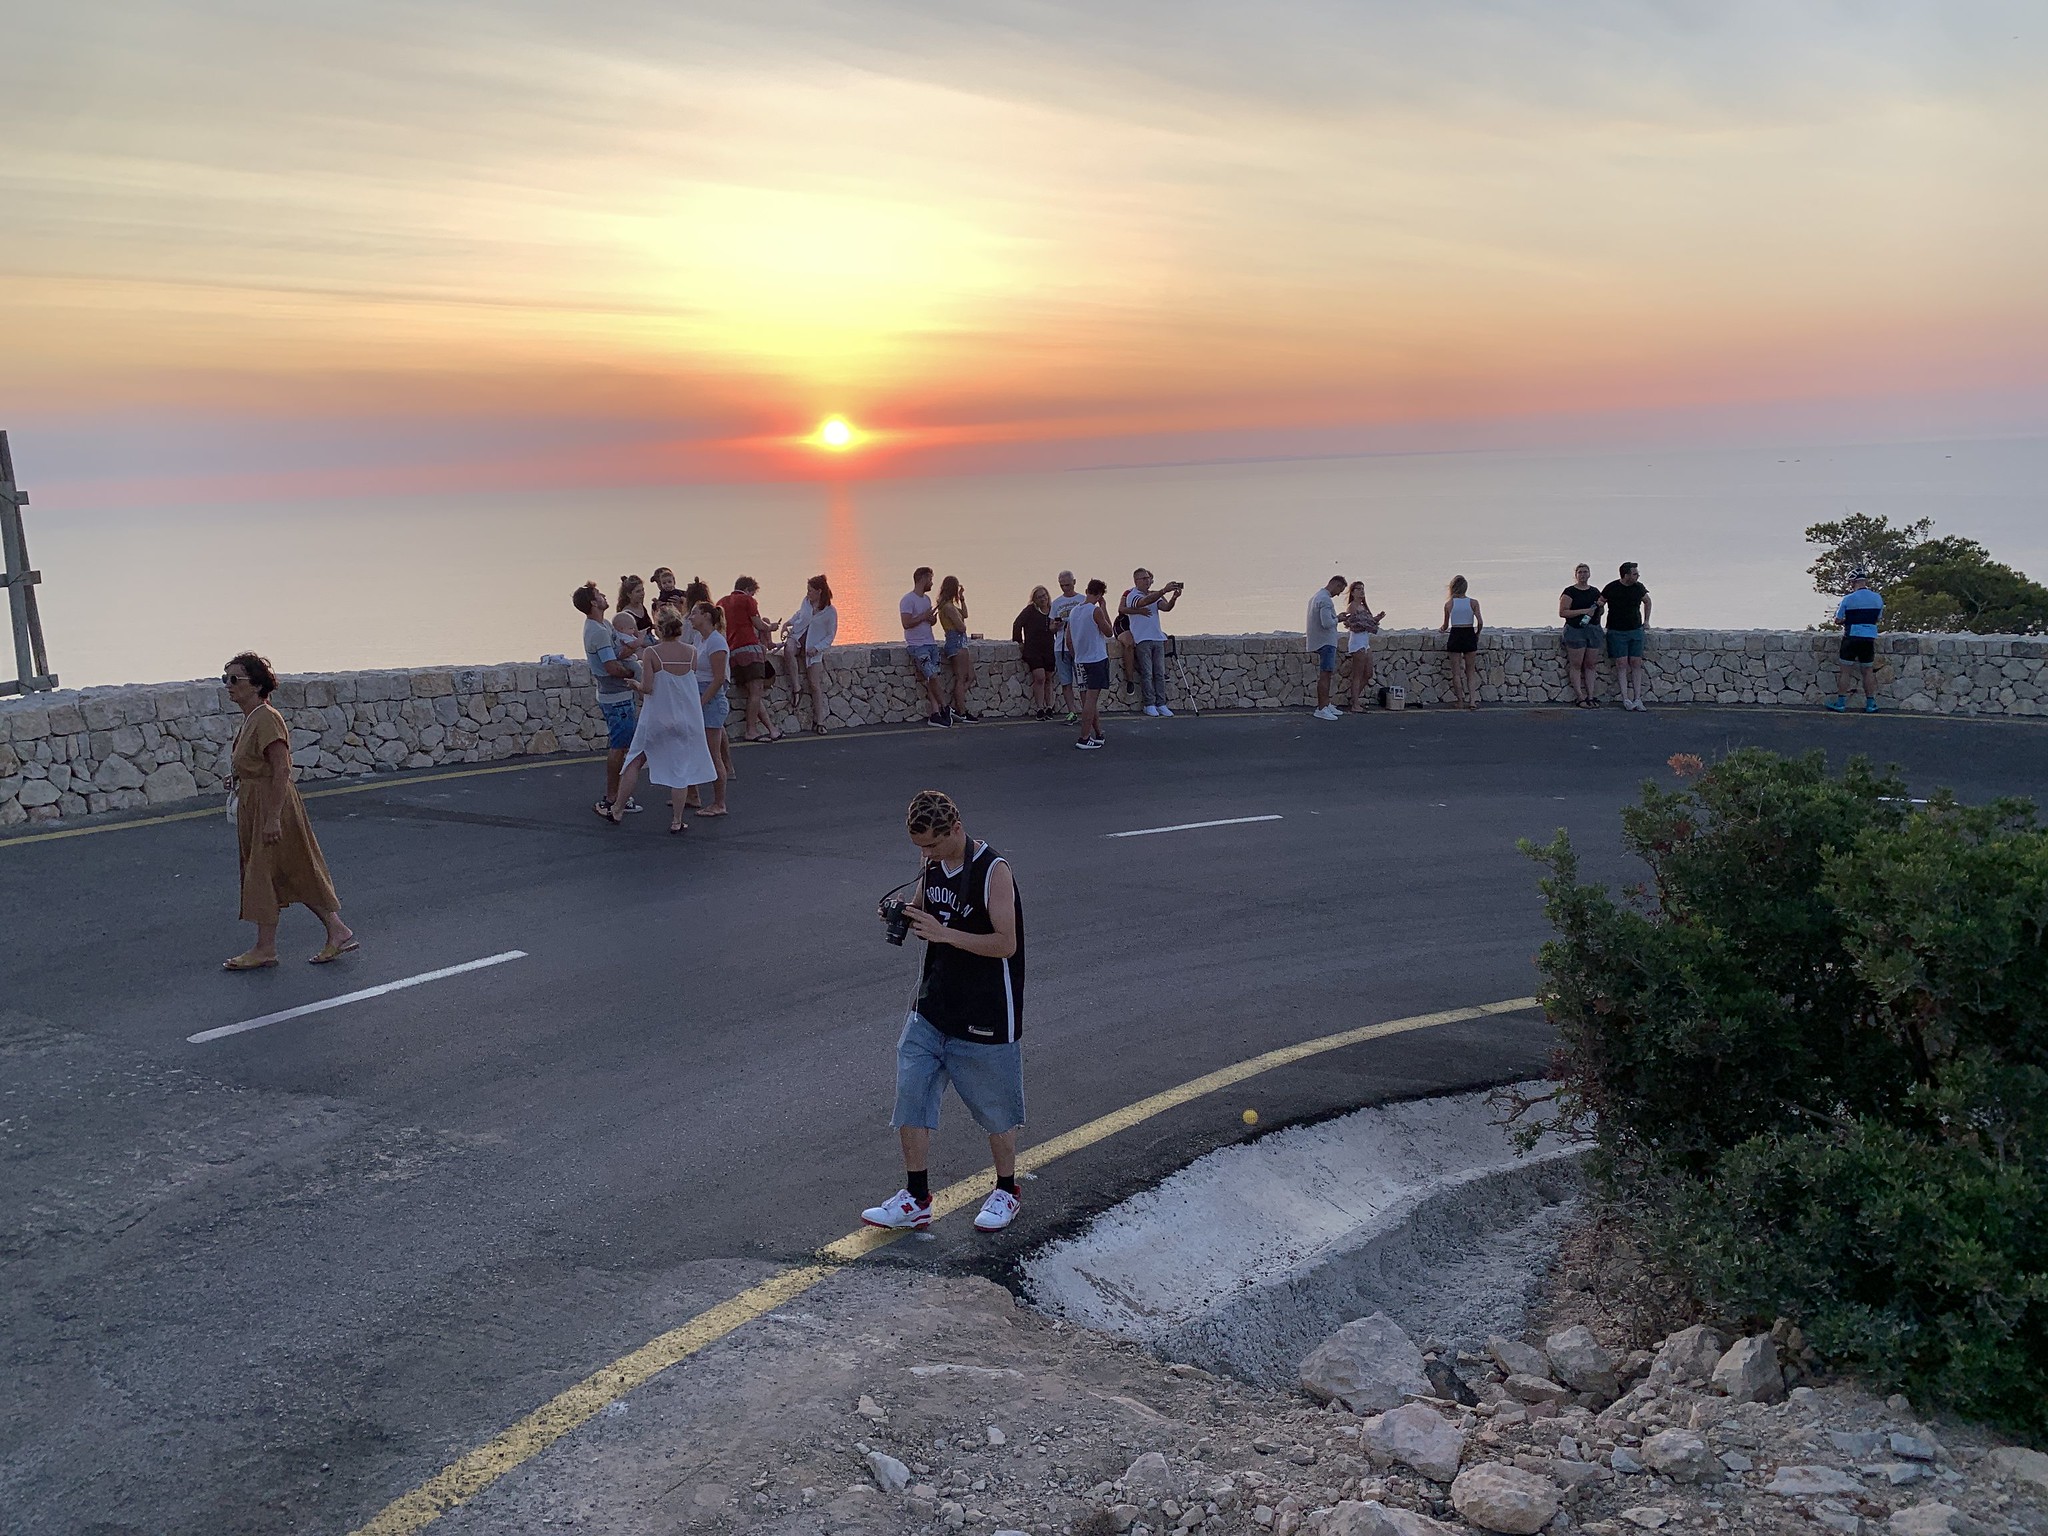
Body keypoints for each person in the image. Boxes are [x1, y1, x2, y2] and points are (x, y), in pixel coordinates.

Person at [861, 789, 1027, 1235]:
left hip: (986, 1010)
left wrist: (944, 933)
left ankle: (1007, 1189)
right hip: (932, 1005)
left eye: (932, 845)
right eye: (919, 847)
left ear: (955, 828)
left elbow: (1005, 944)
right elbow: (924, 912)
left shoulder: (994, 872)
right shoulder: (931, 862)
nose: (926, 854)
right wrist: (901, 915)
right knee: (911, 1093)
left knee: (995, 1109)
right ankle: (916, 1198)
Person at [220, 652, 357, 969]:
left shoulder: (267, 718)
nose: (227, 685)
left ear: (255, 684)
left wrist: (272, 818)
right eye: (224, 678)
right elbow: (262, 764)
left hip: (272, 804)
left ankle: (265, 948)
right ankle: (336, 930)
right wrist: (240, 777)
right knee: (285, 871)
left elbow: (281, 770)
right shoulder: (253, 717)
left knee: (265, 873)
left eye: (234, 679)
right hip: (257, 801)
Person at [607, 608, 715, 833]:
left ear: (658, 629)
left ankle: (617, 809)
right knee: (680, 769)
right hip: (685, 718)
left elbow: (648, 688)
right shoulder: (692, 652)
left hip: (657, 717)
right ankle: (676, 820)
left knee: (635, 760)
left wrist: (635, 686)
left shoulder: (652, 654)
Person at [576, 581, 642, 817]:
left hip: (617, 696)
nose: (604, 596)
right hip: (616, 698)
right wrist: (633, 673)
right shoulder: (598, 632)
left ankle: (619, 795)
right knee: (619, 746)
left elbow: (619, 651)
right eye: (599, 595)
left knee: (623, 745)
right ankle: (613, 798)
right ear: (593, 602)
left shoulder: (602, 624)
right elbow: (611, 666)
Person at [718, 576, 780, 742]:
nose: (753, 597)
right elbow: (759, 624)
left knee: (752, 692)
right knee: (756, 691)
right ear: (747, 590)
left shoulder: (721, 602)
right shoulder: (747, 601)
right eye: (752, 593)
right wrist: (771, 627)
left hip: (733, 652)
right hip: (749, 649)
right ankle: (751, 730)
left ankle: (771, 729)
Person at [688, 601, 733, 815]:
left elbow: (718, 679)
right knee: (692, 748)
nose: (690, 617)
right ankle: (692, 794)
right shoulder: (700, 639)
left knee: (713, 754)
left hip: (711, 701)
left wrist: (701, 702)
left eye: (694, 613)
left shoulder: (716, 642)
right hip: (698, 694)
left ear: (706, 616)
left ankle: (719, 803)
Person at [1121, 568, 1183, 717]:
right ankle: (1149, 704)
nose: (1147, 580)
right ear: (1136, 581)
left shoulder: (1154, 595)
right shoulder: (1133, 595)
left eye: (1148, 578)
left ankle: (1161, 704)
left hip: (1157, 638)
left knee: (1159, 673)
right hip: (1142, 639)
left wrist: (1174, 597)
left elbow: (1166, 607)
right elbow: (1142, 602)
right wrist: (1163, 591)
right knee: (1147, 673)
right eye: (1143, 578)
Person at [783, 574, 838, 734]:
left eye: (811, 591)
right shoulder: (806, 602)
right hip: (798, 638)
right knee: (788, 649)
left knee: (814, 684)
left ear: (819, 591)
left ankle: (819, 721)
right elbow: (800, 615)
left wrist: (818, 648)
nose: (808, 593)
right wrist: (788, 623)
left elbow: (830, 635)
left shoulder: (830, 612)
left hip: (813, 649)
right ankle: (796, 687)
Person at [1828, 569, 1885, 713]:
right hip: (1868, 638)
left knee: (1845, 671)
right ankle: (1870, 703)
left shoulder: (1848, 599)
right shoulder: (1877, 598)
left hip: (1851, 637)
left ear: (1853, 582)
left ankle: (1841, 703)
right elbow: (1878, 618)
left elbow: (1838, 619)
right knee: (1868, 671)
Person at [901, 567, 950, 727]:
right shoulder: (908, 600)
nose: (932, 583)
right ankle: (945, 707)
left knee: (932, 679)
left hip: (930, 643)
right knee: (933, 676)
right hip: (917, 646)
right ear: (922, 579)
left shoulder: (927, 600)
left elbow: (928, 621)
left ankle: (935, 713)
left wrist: (931, 619)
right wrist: (923, 617)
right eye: (930, 579)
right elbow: (906, 623)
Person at [1068, 579, 1114, 749]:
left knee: (1087, 699)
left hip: (1080, 660)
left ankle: (1098, 733)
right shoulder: (1095, 611)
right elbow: (1109, 632)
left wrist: (1077, 655)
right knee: (1091, 700)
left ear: (1086, 590)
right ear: (1101, 594)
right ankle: (1084, 737)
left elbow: (1068, 639)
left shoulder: (1074, 611)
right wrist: (1104, 608)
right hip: (1096, 659)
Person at [1601, 561, 1652, 711]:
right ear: (1626, 575)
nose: (1638, 576)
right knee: (1621, 663)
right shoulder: (1611, 587)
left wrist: (1647, 621)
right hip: (1616, 631)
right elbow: (1600, 603)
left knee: (1636, 662)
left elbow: (1647, 602)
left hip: (1635, 629)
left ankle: (1638, 698)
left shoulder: (1639, 588)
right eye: (1635, 573)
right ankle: (1626, 699)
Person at [1559, 564, 1605, 707]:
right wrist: (1583, 611)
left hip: (1593, 630)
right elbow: (1563, 612)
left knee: (1590, 664)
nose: (1583, 575)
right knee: (1576, 665)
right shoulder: (1570, 592)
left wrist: (1600, 607)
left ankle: (1591, 696)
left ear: (1590, 574)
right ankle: (1580, 696)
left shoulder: (1595, 591)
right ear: (1576, 575)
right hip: (1575, 630)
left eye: (1585, 572)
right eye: (1580, 572)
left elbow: (1600, 612)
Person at [1339, 580, 1384, 713]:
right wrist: (1368, 624)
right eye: (1358, 589)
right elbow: (1353, 624)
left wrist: (1377, 619)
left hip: (1365, 641)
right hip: (1357, 641)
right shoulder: (1352, 606)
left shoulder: (1364, 607)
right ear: (1352, 592)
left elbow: (1368, 622)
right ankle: (1355, 704)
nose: (1361, 591)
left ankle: (1355, 699)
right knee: (1357, 674)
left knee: (1368, 673)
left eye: (1362, 589)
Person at [937, 575, 978, 722]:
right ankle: (962, 711)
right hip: (957, 644)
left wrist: (962, 599)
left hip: (960, 643)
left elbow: (965, 614)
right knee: (961, 678)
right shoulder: (948, 607)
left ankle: (955, 705)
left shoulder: (949, 605)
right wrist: (961, 622)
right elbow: (961, 627)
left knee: (971, 676)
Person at [1012, 586, 1057, 719]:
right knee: (1040, 677)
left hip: (1049, 648)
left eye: (1045, 595)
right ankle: (1040, 708)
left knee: (1048, 678)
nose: (1043, 598)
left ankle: (1049, 707)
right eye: (1040, 597)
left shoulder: (1053, 610)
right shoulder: (1030, 611)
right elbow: (1017, 624)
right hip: (1033, 650)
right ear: (1034, 599)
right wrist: (1019, 642)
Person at [1440, 575, 1483, 710]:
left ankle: (1460, 701)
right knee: (1470, 671)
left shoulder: (1449, 604)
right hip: (1469, 634)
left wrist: (1441, 630)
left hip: (1456, 635)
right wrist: (1477, 634)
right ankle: (1472, 701)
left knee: (1456, 672)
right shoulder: (1473, 603)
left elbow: (1446, 626)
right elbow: (1480, 622)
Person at [1049, 571, 1086, 724]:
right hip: (1061, 647)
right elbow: (1050, 627)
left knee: (1083, 682)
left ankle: (1087, 712)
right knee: (1066, 682)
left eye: (1068, 585)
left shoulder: (1083, 600)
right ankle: (1072, 712)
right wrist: (1056, 625)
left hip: (1079, 647)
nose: (1065, 588)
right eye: (1062, 585)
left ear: (1074, 582)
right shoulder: (1056, 603)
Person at [1307, 575, 1346, 719]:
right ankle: (1322, 708)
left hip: (1319, 640)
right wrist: (1339, 619)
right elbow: (1326, 623)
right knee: (1325, 674)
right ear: (1335, 584)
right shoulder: (1325, 600)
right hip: (1326, 642)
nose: (1339, 593)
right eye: (1340, 589)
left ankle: (1326, 704)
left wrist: (1336, 617)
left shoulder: (1316, 596)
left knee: (1327, 674)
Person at [615, 574, 653, 645]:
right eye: (638, 591)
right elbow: (635, 637)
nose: (642, 593)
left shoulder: (640, 605)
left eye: (643, 590)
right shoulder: (627, 614)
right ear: (629, 595)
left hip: (651, 638)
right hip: (641, 645)